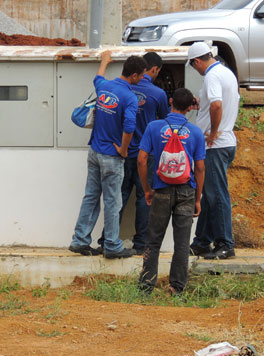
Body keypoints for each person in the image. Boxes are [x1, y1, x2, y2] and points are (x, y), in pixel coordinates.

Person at [69, 50, 147, 259]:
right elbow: (129, 126)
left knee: (91, 197)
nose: (142, 79)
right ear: (134, 76)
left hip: (94, 151)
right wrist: (123, 149)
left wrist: (104, 61)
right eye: (141, 76)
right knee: (113, 202)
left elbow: (97, 78)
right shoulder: (129, 97)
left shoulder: (105, 87)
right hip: (111, 157)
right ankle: (112, 245)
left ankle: (80, 240)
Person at [137, 88, 206, 294]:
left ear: (170, 102)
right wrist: (198, 198)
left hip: (161, 189)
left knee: (153, 239)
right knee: (182, 242)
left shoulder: (154, 127)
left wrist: (148, 189)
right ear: (189, 108)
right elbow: (200, 167)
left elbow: (141, 160)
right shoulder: (195, 132)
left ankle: (146, 286)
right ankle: (177, 288)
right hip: (186, 191)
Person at [186, 42, 239, 260]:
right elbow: (216, 103)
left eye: (193, 66)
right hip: (225, 143)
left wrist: (213, 132)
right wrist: (203, 104)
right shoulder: (225, 72)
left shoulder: (211, 77)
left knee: (216, 195)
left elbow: (217, 105)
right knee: (209, 194)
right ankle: (201, 242)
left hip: (215, 145)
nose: (195, 70)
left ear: (197, 61)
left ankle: (225, 243)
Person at [114, 52, 169, 255]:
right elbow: (165, 121)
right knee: (145, 198)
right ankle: (141, 244)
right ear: (153, 70)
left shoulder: (123, 89)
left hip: (122, 152)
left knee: (118, 196)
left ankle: (108, 240)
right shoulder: (158, 94)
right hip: (146, 155)